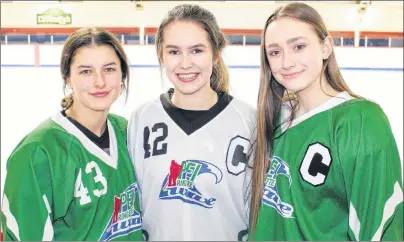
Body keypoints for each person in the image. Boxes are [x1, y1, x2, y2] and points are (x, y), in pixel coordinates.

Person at [248, 2, 403, 241]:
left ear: (326, 47)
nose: (286, 62)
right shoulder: (276, 116)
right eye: (275, 52)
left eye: (299, 46)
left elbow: (381, 225)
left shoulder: (360, 121)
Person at [127, 4, 256, 241]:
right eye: (174, 52)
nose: (185, 63)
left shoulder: (249, 121)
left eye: (197, 50)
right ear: (161, 56)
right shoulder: (141, 119)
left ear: (216, 54)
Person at [0, 27, 143, 241]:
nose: (100, 82)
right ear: (68, 77)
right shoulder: (37, 152)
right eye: (86, 71)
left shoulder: (128, 132)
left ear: (122, 74)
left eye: (109, 69)